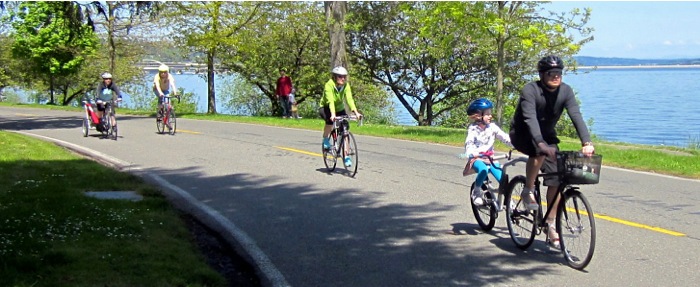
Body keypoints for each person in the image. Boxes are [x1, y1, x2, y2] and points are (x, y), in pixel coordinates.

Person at [509, 55, 595, 248]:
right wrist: (540, 144)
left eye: (559, 73)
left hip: (547, 136)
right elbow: (529, 118)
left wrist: (587, 142)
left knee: (557, 178)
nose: (556, 77)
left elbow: (576, 115)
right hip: (523, 134)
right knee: (538, 153)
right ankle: (528, 189)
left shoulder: (565, 91)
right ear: (542, 74)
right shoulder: (530, 90)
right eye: (551, 73)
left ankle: (549, 224)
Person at [462, 98, 514, 206]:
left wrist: (517, 144)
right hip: (477, 158)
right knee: (483, 170)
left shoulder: (492, 127)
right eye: (487, 114)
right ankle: (476, 192)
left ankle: (510, 202)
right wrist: (471, 152)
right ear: (478, 116)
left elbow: (504, 137)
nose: (490, 116)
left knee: (503, 179)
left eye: (490, 113)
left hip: (490, 158)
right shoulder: (473, 129)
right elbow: (469, 142)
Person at [319, 66, 362, 167]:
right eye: (340, 76)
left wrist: (356, 112)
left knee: (345, 129)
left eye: (344, 77)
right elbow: (330, 101)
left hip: (339, 108)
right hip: (326, 107)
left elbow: (349, 99)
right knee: (329, 122)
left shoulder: (346, 85)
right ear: (334, 77)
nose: (343, 79)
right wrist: (333, 114)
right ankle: (325, 139)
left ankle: (346, 156)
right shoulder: (329, 85)